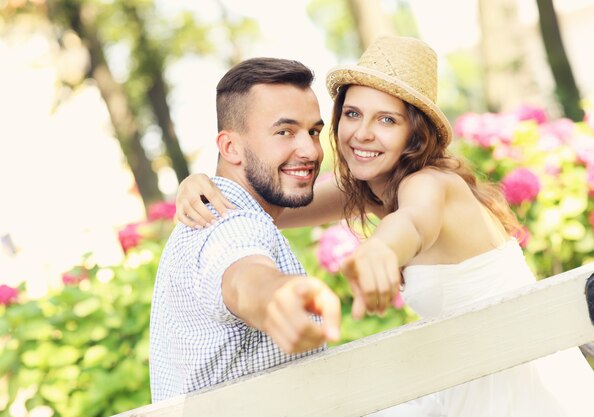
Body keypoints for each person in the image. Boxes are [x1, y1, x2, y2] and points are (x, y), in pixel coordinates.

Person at [174, 36, 594, 416]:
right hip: (471, 377)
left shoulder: (431, 186)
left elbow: (412, 224)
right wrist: (205, 182)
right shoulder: (371, 191)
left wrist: (381, 251)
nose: (362, 134)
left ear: (416, 131)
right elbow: (273, 201)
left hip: (523, 390)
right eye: (353, 114)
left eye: (387, 120)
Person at [149, 57, 341, 403]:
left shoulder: (246, 208)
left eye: (314, 131)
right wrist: (276, 298)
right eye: (284, 132)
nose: (310, 150)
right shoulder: (227, 224)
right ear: (230, 147)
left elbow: (360, 191)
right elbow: (242, 274)